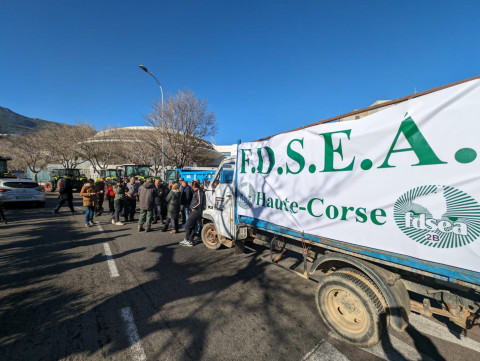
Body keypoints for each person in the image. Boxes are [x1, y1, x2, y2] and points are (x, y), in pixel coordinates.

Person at [180, 180, 204, 247]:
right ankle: (190, 240)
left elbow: (199, 202)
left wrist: (193, 207)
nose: (190, 186)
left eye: (191, 185)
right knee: (192, 225)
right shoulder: (196, 191)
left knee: (187, 225)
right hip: (194, 210)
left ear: (193, 186)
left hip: (196, 211)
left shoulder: (199, 191)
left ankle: (188, 239)